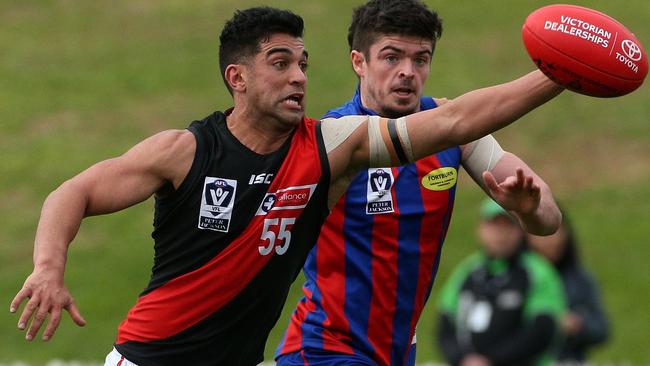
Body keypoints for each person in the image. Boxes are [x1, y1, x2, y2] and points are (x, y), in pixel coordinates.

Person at [9, 5, 565, 366]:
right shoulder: (183, 151)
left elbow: (454, 122)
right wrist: (48, 269)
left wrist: (558, 72)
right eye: (281, 63)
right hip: (156, 360)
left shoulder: (329, 147)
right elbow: (71, 192)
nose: (299, 75)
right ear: (238, 78)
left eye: (302, 62)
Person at [276, 1, 561, 365]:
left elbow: (550, 221)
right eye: (391, 58)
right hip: (325, 348)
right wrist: (561, 73)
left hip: (397, 351)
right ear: (358, 62)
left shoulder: (452, 135)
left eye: (420, 59)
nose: (408, 72)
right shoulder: (333, 138)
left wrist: (529, 209)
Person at [436, 199, 566, 366]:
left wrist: (491, 360)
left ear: (521, 230)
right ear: (480, 230)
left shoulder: (537, 271)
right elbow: (445, 325)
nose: (500, 233)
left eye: (508, 226)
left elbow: (542, 330)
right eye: (494, 225)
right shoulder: (467, 271)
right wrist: (463, 360)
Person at [527, 212, 609, 364]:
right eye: (541, 234)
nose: (549, 241)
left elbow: (601, 329)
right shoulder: (520, 277)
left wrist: (578, 324)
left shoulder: (580, 279)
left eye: (555, 232)